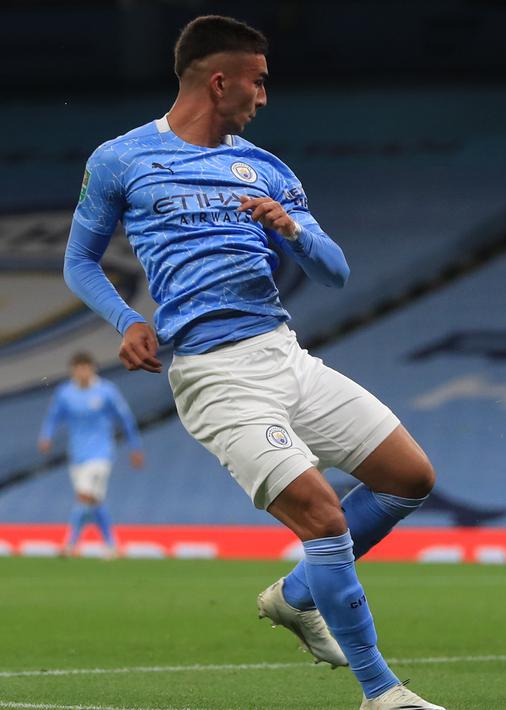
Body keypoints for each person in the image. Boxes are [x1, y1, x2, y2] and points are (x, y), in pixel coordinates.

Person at [65, 15, 442, 709]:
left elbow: (334, 272)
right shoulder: (121, 160)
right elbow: (79, 261)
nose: (264, 96)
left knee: (409, 477)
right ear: (219, 81)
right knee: (324, 518)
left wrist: (291, 229)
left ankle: (299, 596)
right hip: (216, 377)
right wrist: (127, 320)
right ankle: (380, 692)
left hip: (284, 355)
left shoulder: (266, 169)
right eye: (258, 81)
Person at [37, 351, 144, 558]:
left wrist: (135, 447)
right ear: (72, 372)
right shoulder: (65, 393)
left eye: (86, 367)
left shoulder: (106, 391)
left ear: (93, 368)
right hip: (77, 455)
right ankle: (111, 545)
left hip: (101, 454)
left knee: (84, 495)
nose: (82, 372)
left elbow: (126, 419)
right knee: (92, 501)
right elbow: (53, 417)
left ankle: (69, 545)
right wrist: (46, 436)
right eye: (78, 369)